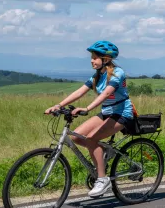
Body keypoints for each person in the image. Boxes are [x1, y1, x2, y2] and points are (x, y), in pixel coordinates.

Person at [45, 41, 134, 197]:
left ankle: (102, 179)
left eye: (95, 58)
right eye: (91, 58)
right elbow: (80, 91)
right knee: (76, 137)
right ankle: (105, 150)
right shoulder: (97, 75)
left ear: (105, 59)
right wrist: (59, 105)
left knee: (91, 139)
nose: (92, 60)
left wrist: (87, 109)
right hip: (107, 112)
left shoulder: (117, 73)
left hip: (122, 113)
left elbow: (106, 93)